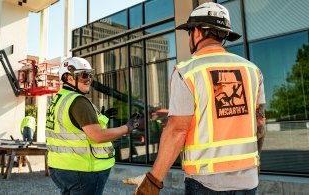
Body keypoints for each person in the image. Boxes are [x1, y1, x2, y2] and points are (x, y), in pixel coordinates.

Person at [123, 2, 266, 195]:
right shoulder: (252, 70)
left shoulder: (187, 71)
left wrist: (153, 181)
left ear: (197, 32)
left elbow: (177, 131)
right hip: (248, 179)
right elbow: (259, 121)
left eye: (189, 32)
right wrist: (256, 160)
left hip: (206, 181)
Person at [45, 57, 143, 195]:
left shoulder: (59, 99)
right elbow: (97, 136)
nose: (89, 79)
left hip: (61, 168)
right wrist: (127, 127)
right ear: (69, 77)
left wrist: (103, 116)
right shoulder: (79, 102)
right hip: (83, 169)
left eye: (90, 75)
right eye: (84, 75)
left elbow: (72, 127)